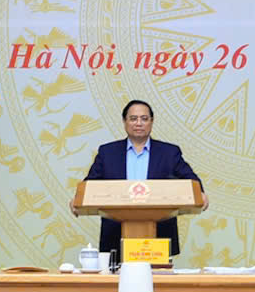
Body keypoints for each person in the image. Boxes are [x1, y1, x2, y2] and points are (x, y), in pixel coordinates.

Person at [80, 100, 203, 260]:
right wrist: (78, 199)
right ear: (124, 121)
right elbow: (90, 185)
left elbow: (191, 181)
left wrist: (200, 193)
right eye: (133, 118)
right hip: (115, 235)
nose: (139, 123)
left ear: (152, 121)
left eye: (144, 119)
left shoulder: (169, 152)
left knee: (157, 277)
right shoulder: (107, 152)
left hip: (160, 234)